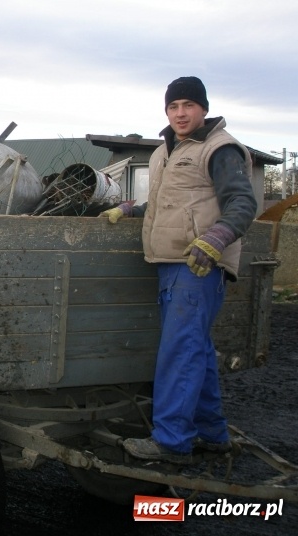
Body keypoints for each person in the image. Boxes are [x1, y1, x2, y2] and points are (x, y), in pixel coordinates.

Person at [100, 76, 257, 464]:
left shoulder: (219, 149)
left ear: (204, 108)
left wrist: (216, 239)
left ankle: (171, 441)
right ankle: (211, 432)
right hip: (169, 263)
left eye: (188, 105)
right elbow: (167, 203)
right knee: (196, 349)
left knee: (179, 351)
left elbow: (242, 203)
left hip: (198, 265)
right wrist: (130, 209)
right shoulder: (164, 151)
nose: (181, 113)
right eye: (174, 106)